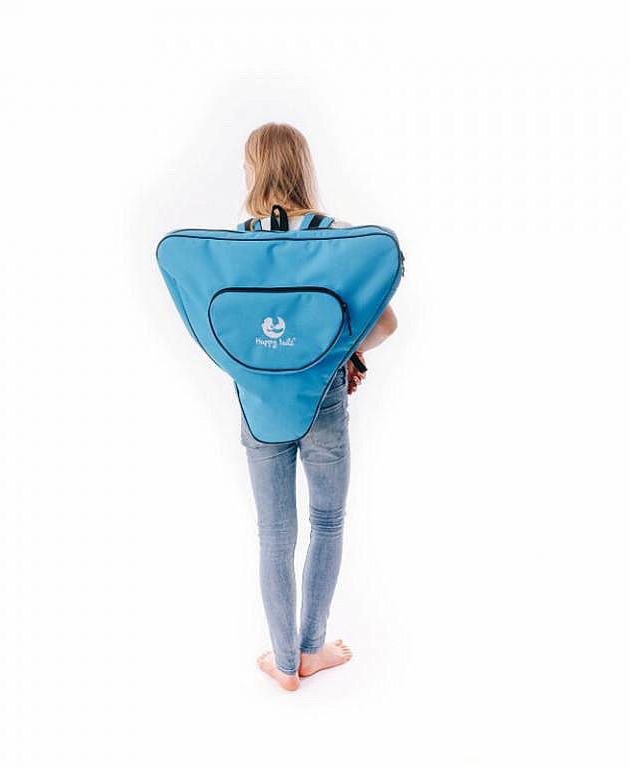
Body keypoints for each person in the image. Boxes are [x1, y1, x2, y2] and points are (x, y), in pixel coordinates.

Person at [239, 123, 398, 691]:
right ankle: (312, 650)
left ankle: (284, 664)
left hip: (260, 406)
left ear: (253, 169)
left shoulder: (238, 246)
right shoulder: (336, 242)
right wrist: (344, 352)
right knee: (326, 522)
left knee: (273, 534)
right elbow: (384, 324)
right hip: (322, 399)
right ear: (303, 166)